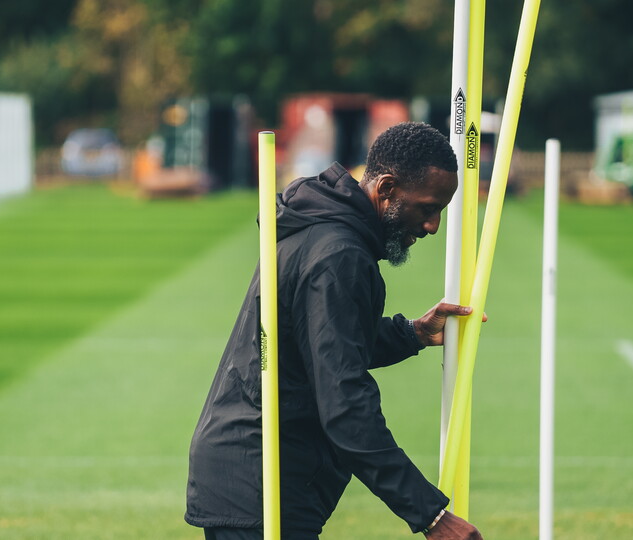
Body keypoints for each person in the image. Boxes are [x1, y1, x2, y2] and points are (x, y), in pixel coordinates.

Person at [185, 122, 483, 540]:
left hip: (259, 473)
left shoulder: (325, 230)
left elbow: (322, 338)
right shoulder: (338, 255)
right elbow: (344, 402)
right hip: (262, 479)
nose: (432, 226)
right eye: (427, 208)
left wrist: (412, 333)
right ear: (387, 188)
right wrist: (430, 516)